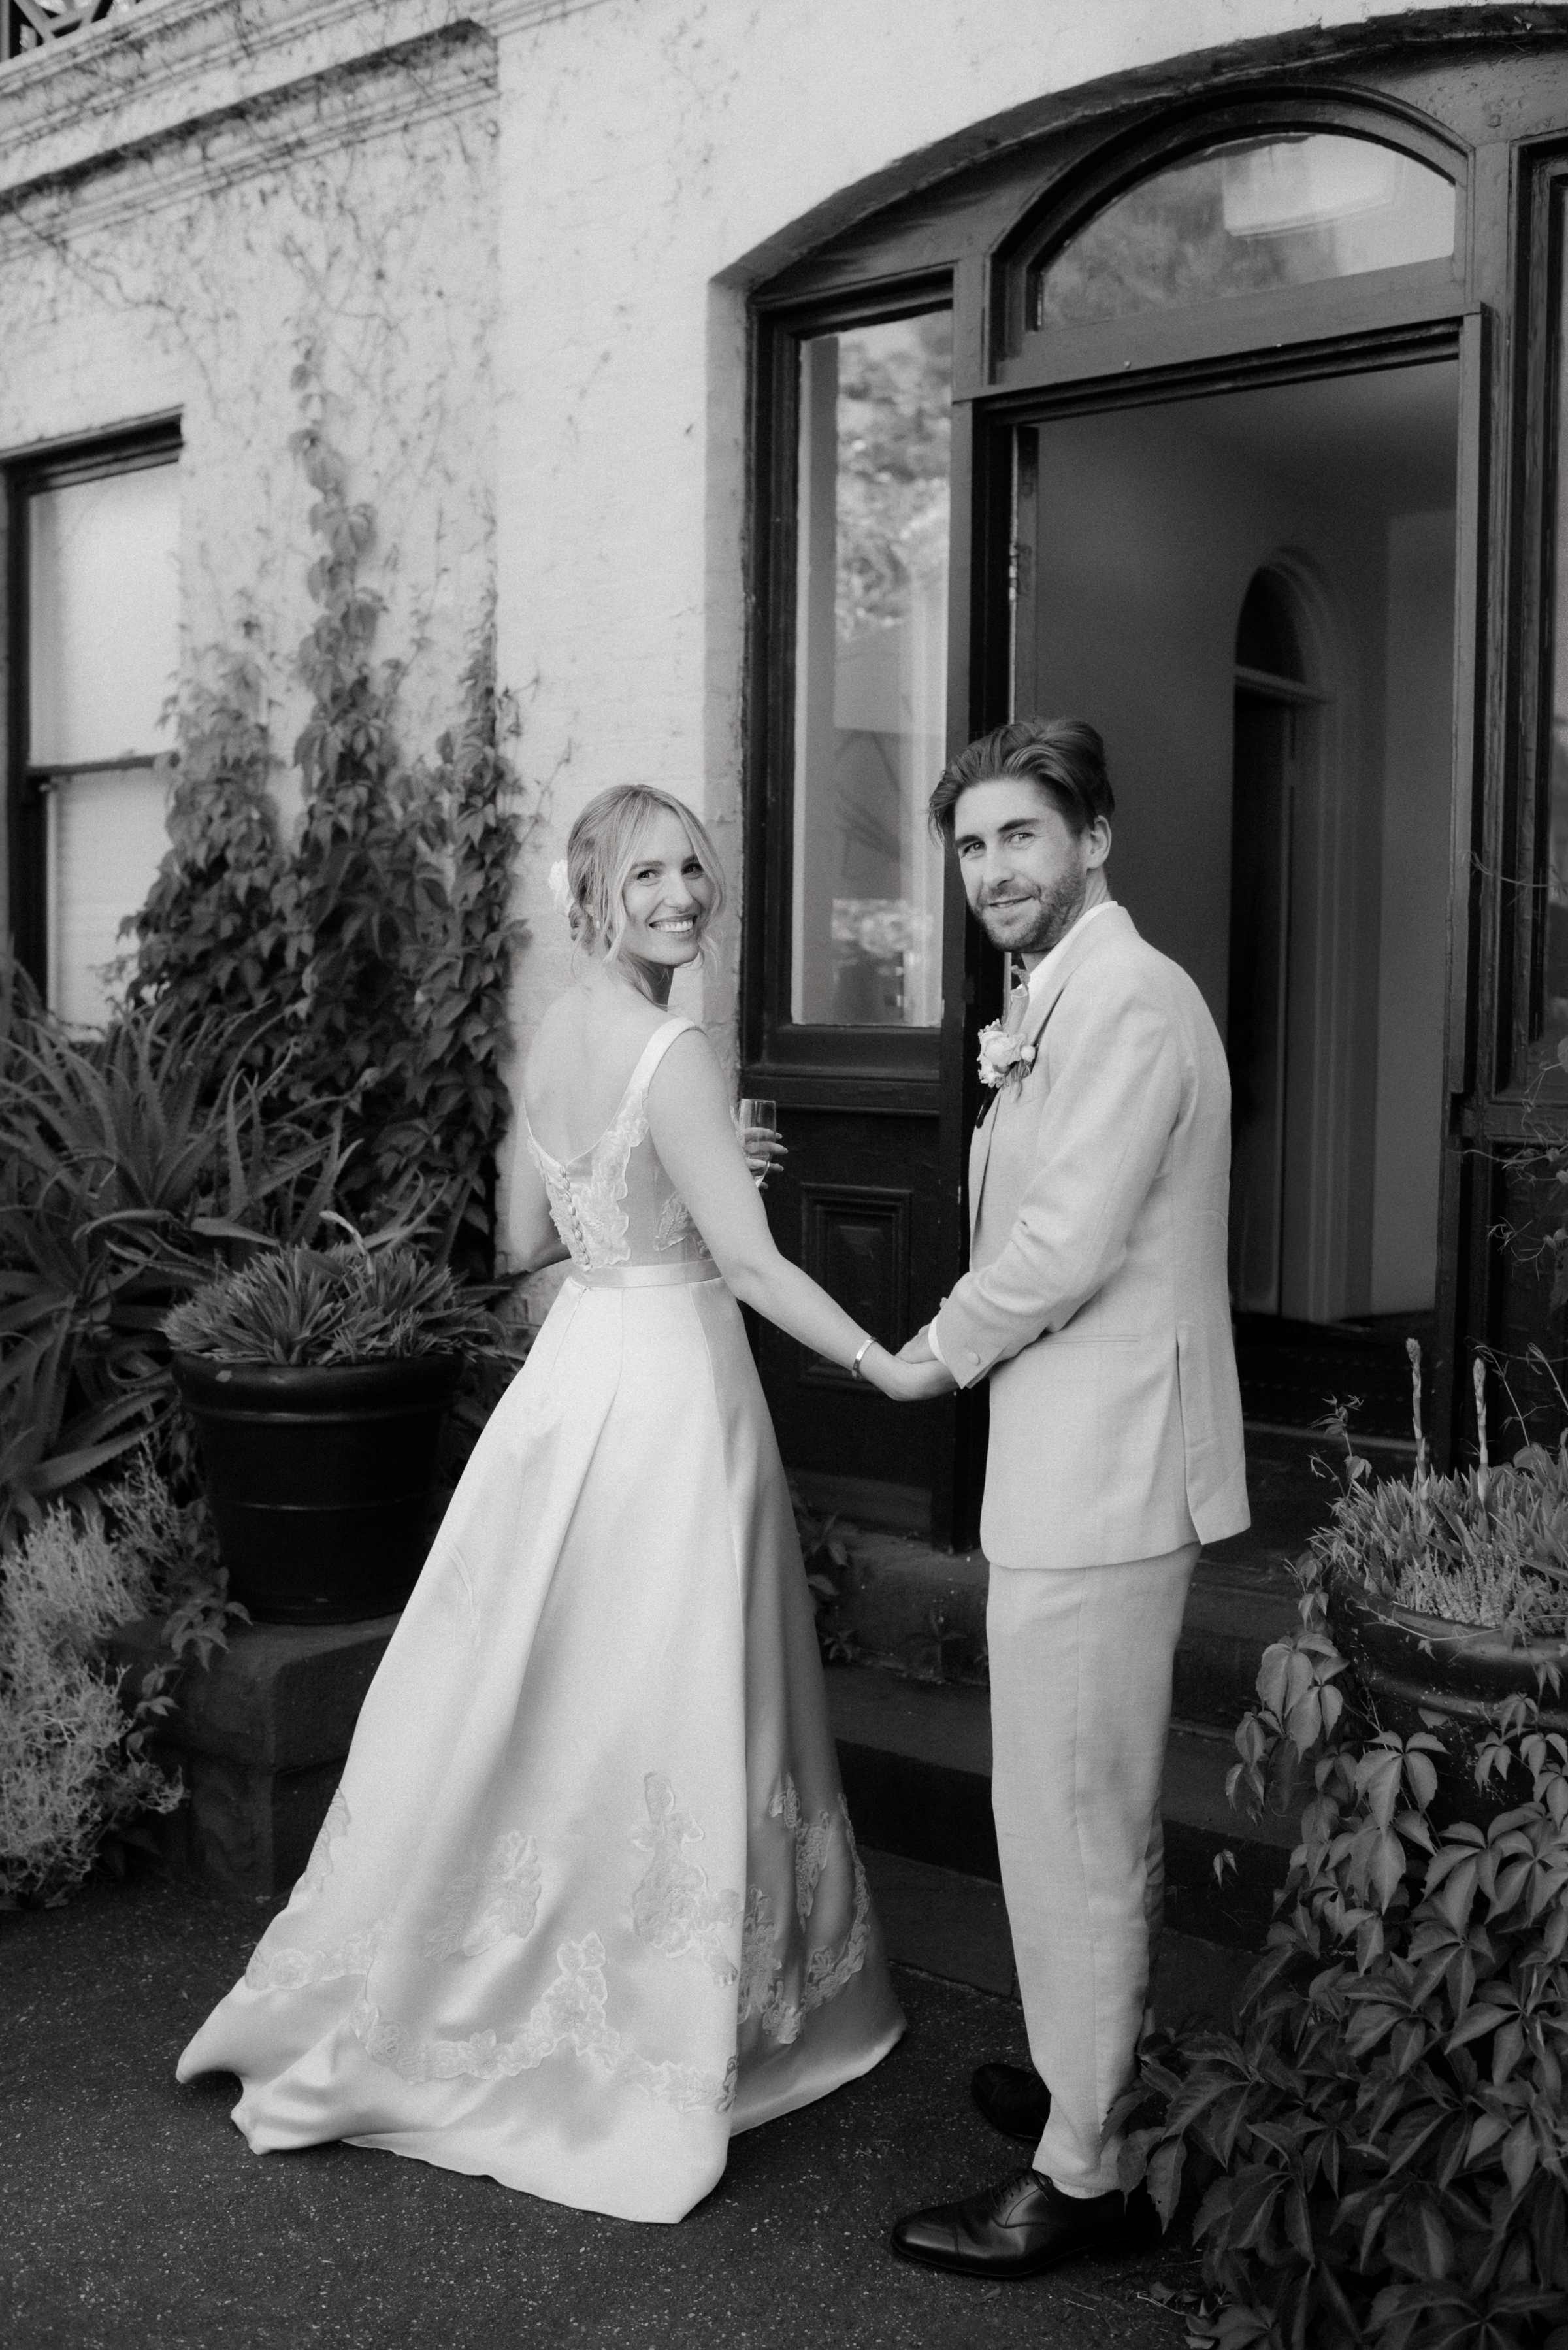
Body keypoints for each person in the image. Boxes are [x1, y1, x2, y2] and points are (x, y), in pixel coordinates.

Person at [178, 784, 943, 2224]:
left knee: (547, 1691)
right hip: (668, 1392)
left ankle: (474, 1975)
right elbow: (760, 1271)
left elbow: (532, 1238)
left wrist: (686, 1181)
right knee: (665, 1692)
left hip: (575, 1369)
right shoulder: (682, 1047)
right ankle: (664, 2009)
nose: (681, 895)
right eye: (648, 874)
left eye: (693, 870)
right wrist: (888, 1364)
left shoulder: (552, 1041)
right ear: (592, 892)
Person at [889, 718, 1249, 2281]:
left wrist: (928, 1358)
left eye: (1021, 836)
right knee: (1050, 1804)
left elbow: (1066, 1243)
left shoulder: (1134, 1002)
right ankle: (1086, 2082)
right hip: (1065, 1458)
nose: (992, 873)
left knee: (1075, 1819)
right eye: (971, 847)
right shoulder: (1063, 995)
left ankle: (1085, 2171)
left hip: (1107, 1469)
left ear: (1094, 837)